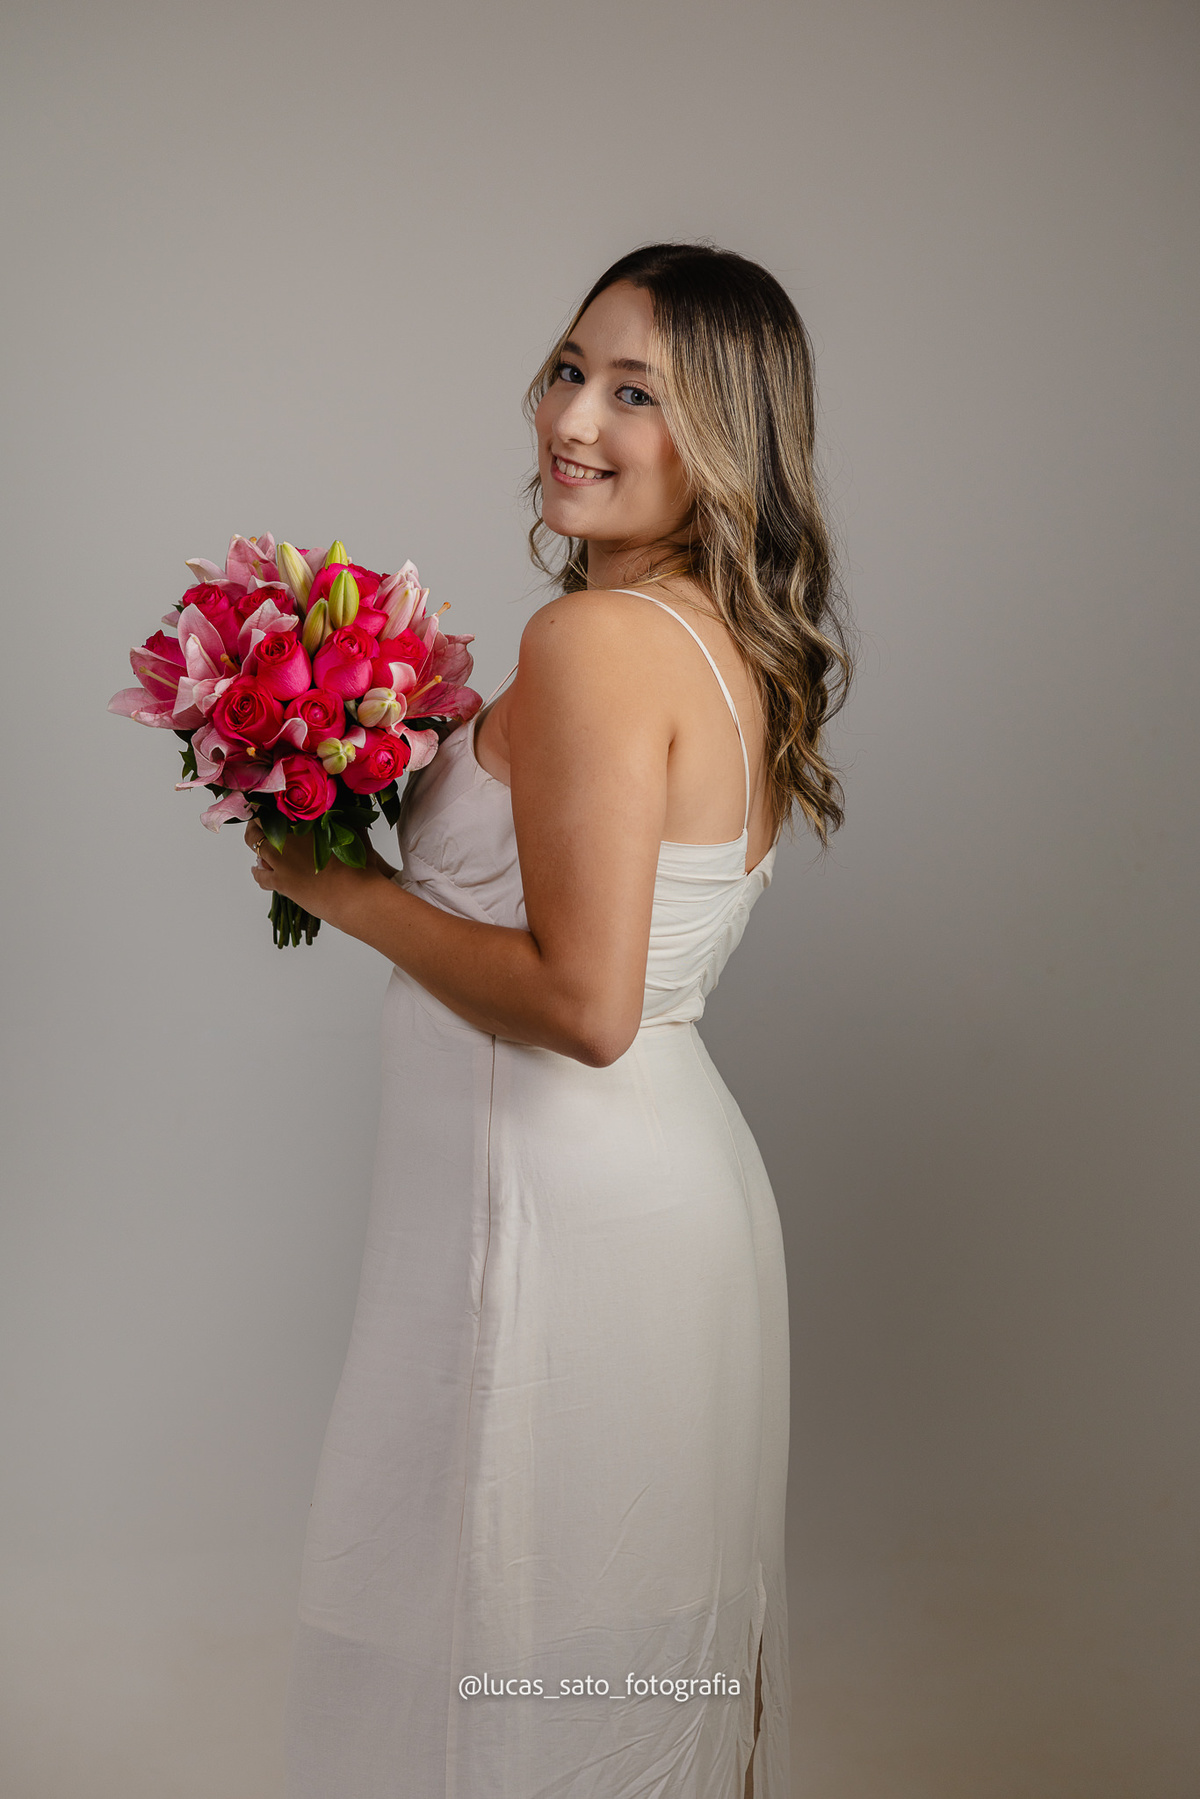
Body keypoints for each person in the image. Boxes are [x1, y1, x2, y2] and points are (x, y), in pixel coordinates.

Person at [247, 241, 852, 1799]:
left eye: (637, 393)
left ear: (724, 440)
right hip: (632, 1198)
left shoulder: (594, 644)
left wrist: (340, 885)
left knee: (510, 1656)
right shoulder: (707, 637)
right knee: (579, 1670)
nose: (574, 419)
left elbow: (586, 1006)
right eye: (571, 369)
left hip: (553, 1216)